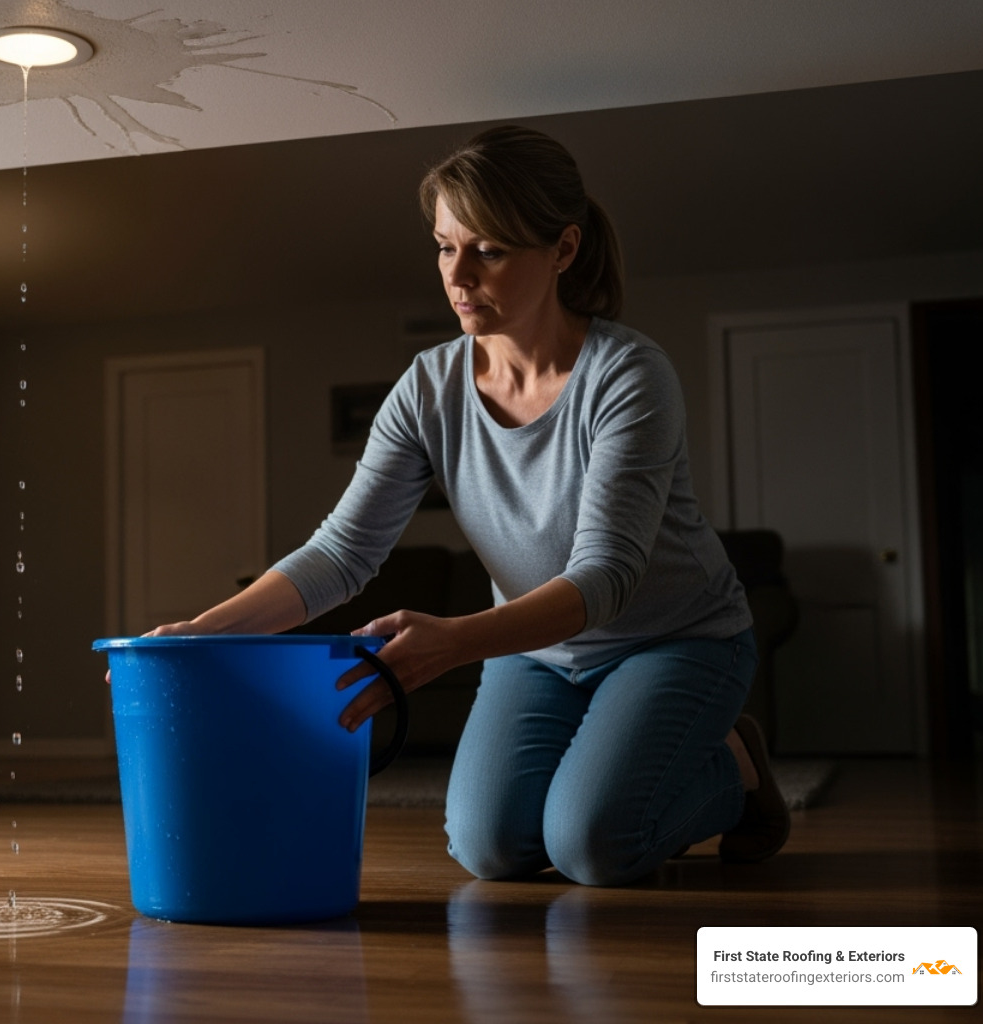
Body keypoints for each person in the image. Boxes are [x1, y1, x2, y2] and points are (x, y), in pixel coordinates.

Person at [141, 125, 789, 886]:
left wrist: (454, 641)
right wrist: (201, 632)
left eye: (488, 250)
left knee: (592, 845)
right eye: (445, 247)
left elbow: (607, 576)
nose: (458, 274)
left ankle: (738, 768)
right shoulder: (428, 388)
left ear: (563, 249)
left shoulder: (628, 376)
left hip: (674, 639)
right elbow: (344, 551)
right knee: (491, 848)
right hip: (535, 652)